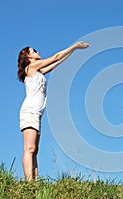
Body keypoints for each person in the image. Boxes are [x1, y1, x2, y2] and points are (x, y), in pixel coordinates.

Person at [17, 41, 89, 181]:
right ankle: (29, 182)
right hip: (29, 112)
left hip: (36, 113)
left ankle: (34, 182)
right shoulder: (32, 67)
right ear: (28, 57)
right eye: (33, 50)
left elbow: (57, 62)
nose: (37, 51)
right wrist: (74, 46)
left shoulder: (38, 71)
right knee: (29, 149)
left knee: (34, 151)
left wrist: (72, 51)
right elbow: (56, 57)